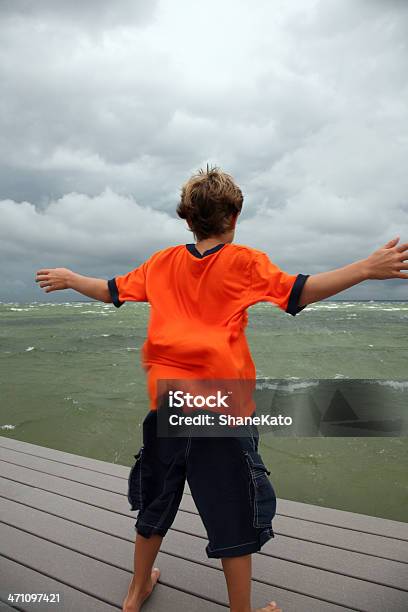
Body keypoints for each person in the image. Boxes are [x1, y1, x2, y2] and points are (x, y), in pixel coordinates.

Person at [35, 165, 408, 612]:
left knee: (157, 500)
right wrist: (366, 268)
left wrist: (72, 278)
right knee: (231, 509)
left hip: (169, 404)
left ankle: (135, 593)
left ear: (188, 220)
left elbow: (111, 290)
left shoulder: (162, 263)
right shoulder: (243, 261)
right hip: (222, 408)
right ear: (233, 217)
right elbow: (300, 292)